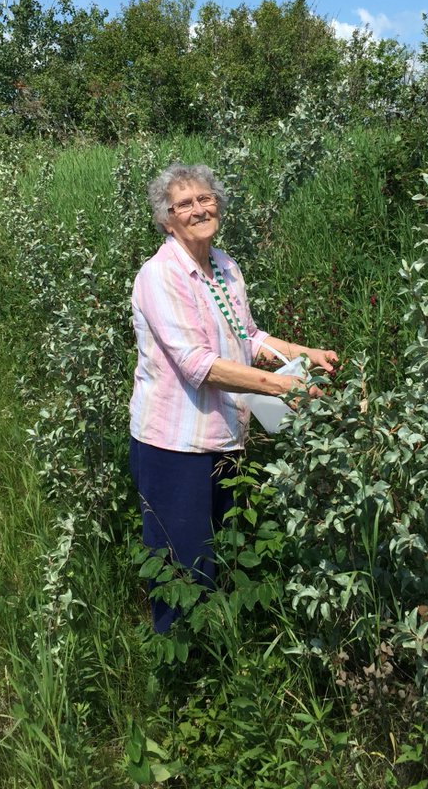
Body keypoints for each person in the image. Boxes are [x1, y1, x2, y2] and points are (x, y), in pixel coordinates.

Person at [129, 162, 337, 634]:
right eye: (185, 204)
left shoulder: (224, 266)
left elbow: (247, 335)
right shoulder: (161, 276)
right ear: (167, 219)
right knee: (182, 568)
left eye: (206, 198)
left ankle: (222, 655)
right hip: (174, 445)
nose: (199, 209)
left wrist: (304, 354)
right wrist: (284, 386)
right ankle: (179, 673)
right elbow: (197, 365)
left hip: (226, 436)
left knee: (224, 551)